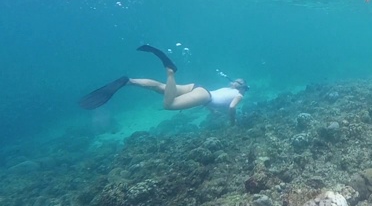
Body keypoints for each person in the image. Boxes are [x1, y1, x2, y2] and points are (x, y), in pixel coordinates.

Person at [79, 45, 248, 125]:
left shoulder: (228, 89)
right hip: (204, 95)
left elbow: (215, 101)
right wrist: (232, 122)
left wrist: (213, 111)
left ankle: (129, 81)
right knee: (169, 104)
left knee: (161, 88)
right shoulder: (239, 95)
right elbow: (232, 108)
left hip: (199, 90)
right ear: (241, 89)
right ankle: (170, 71)